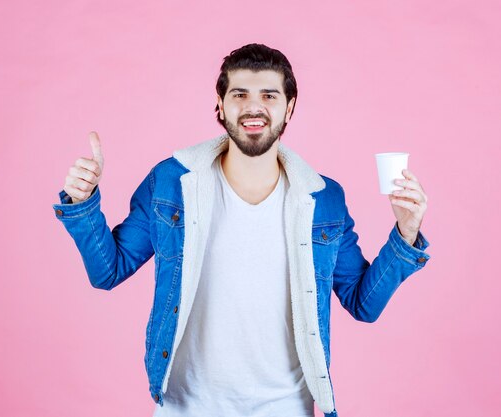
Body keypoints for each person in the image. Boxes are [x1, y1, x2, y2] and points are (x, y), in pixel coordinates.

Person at [52, 43, 431, 417]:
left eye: (269, 94)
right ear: (220, 104)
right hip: (188, 409)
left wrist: (406, 232)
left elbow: (363, 303)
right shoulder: (172, 182)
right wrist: (84, 204)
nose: (254, 107)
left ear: (290, 106)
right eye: (239, 94)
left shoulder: (322, 199)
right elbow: (108, 270)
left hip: (287, 409)